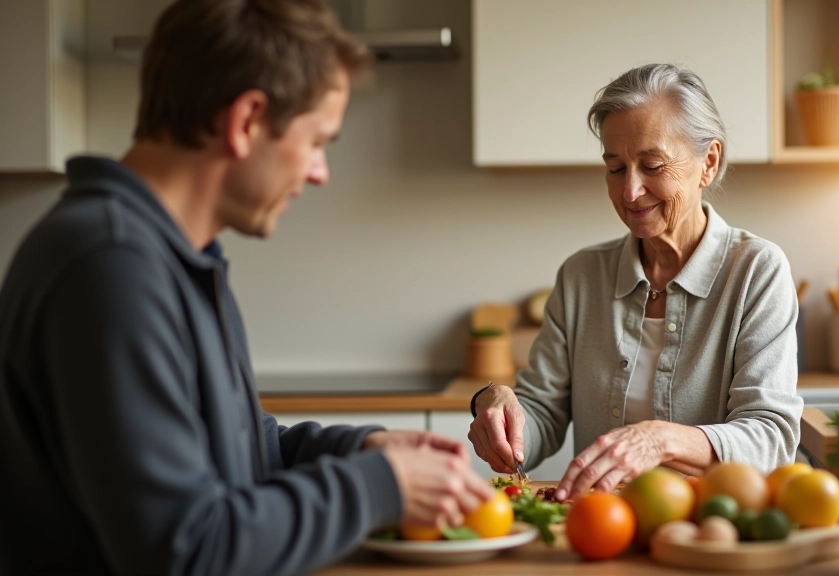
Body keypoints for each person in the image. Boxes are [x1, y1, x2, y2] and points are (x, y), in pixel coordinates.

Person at [0, 1, 493, 574]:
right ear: (247, 122)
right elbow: (186, 550)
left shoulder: (178, 255)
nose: (319, 172)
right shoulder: (110, 265)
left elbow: (245, 453)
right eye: (317, 141)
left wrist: (359, 451)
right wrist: (378, 487)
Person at [468, 63, 804, 502]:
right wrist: (496, 403)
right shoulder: (581, 276)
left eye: (652, 165)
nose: (629, 192)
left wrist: (659, 440)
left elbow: (771, 438)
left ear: (709, 162)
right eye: (615, 168)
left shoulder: (757, 271)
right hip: (601, 531)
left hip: (710, 530)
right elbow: (542, 417)